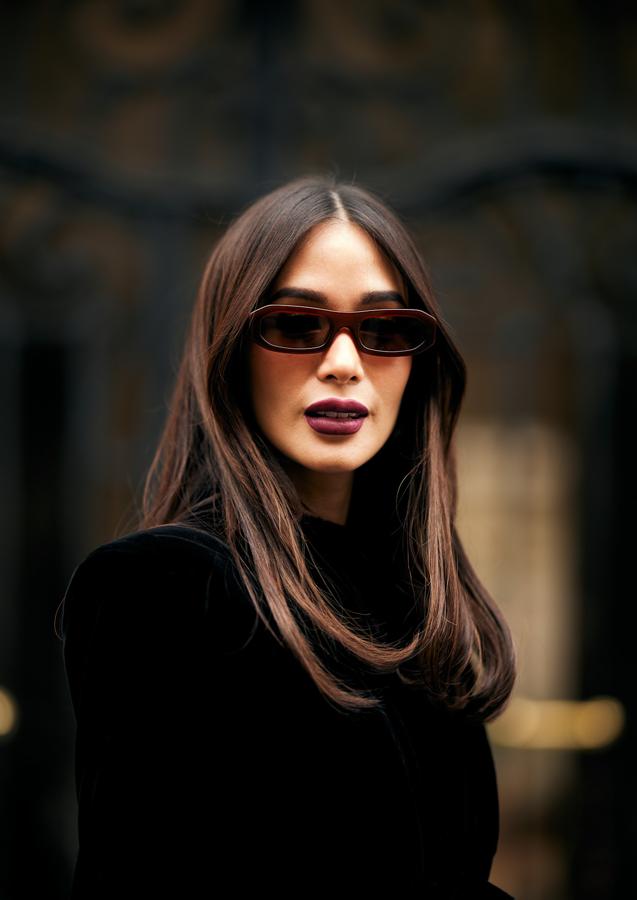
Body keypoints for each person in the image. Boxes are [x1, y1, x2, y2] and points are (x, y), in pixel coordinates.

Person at [56, 175, 517, 898]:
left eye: (386, 330)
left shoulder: (421, 617)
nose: (343, 362)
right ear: (232, 349)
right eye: (298, 325)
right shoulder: (164, 589)